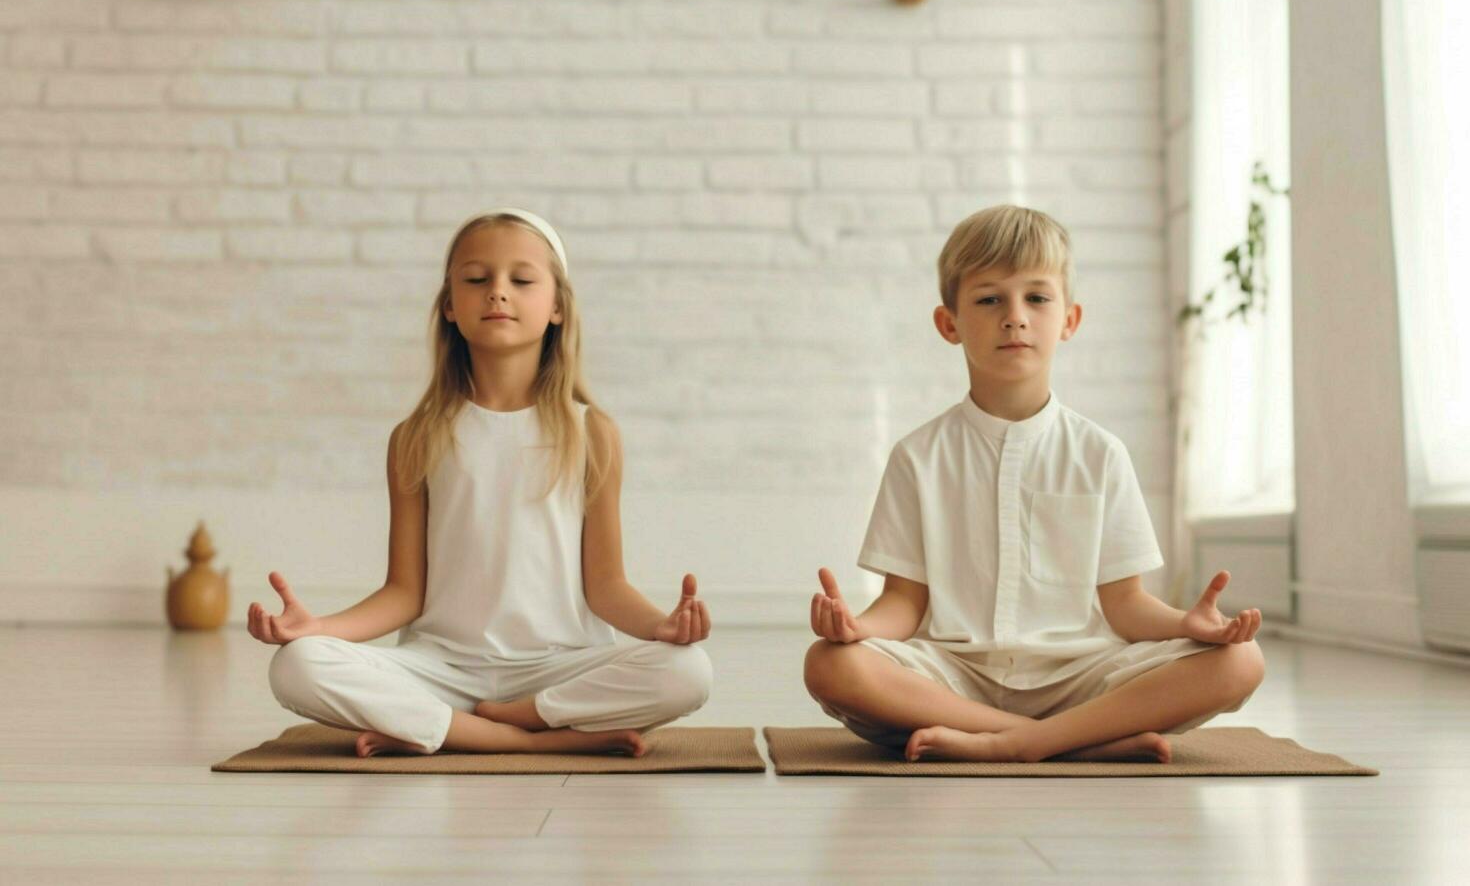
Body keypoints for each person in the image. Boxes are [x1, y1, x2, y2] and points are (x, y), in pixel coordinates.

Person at [803, 204, 1264, 763]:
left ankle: (1022, 742)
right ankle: (1063, 740)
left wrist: (1185, 625)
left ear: (1069, 319)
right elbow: (904, 602)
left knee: (1241, 661)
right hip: (955, 677)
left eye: (1037, 298)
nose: (1014, 316)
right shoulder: (917, 457)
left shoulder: (1100, 454)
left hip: (1081, 677)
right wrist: (856, 626)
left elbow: (1124, 606)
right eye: (989, 299)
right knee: (830, 662)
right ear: (950, 324)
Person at [250, 209, 713, 758]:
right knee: (298, 665)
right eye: (476, 280)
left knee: (688, 671)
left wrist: (663, 627)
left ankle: (489, 722)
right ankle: (522, 739)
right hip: (443, 668)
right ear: (449, 305)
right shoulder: (416, 437)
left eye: (520, 280)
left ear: (558, 307)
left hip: (558, 666)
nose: (497, 293)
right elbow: (404, 592)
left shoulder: (592, 433)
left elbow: (606, 586)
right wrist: (321, 628)